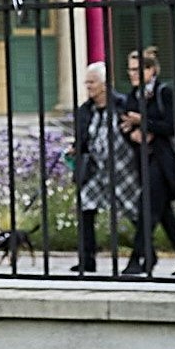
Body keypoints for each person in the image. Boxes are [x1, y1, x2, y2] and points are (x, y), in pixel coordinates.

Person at [119, 47, 175, 279]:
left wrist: (145, 122)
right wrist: (132, 134)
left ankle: (138, 259)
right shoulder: (133, 95)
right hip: (144, 159)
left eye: (137, 70)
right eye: (130, 70)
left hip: (163, 162)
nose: (132, 75)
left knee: (147, 209)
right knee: (163, 215)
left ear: (150, 70)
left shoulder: (165, 92)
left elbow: (171, 126)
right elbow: (123, 125)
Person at [68, 61, 135, 274]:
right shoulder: (85, 110)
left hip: (123, 169)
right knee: (85, 208)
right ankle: (87, 258)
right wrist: (75, 149)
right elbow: (83, 140)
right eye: (86, 82)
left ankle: (145, 252)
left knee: (134, 211)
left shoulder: (123, 105)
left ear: (104, 84)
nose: (88, 87)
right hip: (95, 168)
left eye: (92, 82)